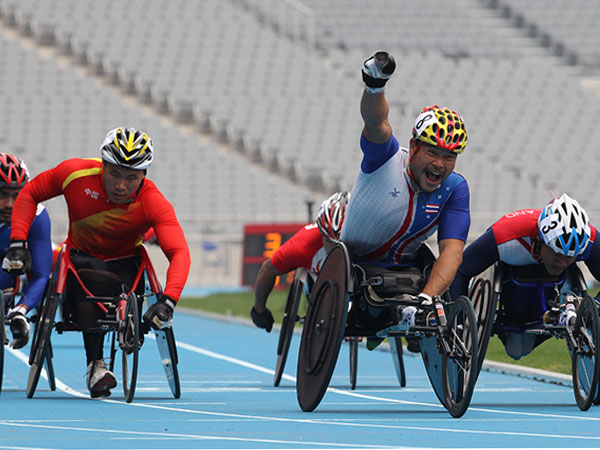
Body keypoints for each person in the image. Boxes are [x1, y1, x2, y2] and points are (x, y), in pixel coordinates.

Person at [3, 127, 191, 398]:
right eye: (114, 173)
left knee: (121, 283)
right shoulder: (74, 174)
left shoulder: (153, 201)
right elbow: (29, 193)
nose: (121, 185)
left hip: (127, 261)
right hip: (81, 260)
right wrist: (18, 243)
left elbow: (179, 252)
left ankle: (127, 322)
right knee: (92, 287)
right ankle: (96, 366)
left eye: (131, 177)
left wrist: (169, 300)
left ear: (144, 175)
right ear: (102, 165)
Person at [340, 51, 470, 349]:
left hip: (406, 272)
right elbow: (376, 123)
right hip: (353, 263)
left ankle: (411, 315)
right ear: (413, 147)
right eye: (432, 152)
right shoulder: (386, 158)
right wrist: (375, 84)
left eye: (449, 156)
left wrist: (427, 299)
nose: (440, 163)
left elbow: (452, 252)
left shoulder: (455, 189)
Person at [450, 193, 600, 360]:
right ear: (539, 239)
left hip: (559, 287)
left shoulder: (590, 241)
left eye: (571, 257)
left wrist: (591, 313)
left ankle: (569, 308)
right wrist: (459, 324)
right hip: (512, 289)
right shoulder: (505, 233)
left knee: (520, 348)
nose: (563, 262)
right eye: (557, 254)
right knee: (516, 350)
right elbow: (460, 271)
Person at [251, 191, 350, 332]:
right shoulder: (304, 244)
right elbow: (268, 269)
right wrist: (259, 310)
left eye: (340, 241)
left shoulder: (373, 237)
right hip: (323, 285)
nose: (335, 248)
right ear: (321, 232)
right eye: (329, 240)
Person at [0, 153, 52, 349]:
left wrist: (21, 310)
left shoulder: (37, 215)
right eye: (2, 194)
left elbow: (40, 275)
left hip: (12, 260)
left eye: (16, 195)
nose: (9, 204)